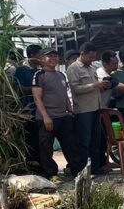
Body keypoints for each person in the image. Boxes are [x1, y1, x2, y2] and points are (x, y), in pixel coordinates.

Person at [32, 48, 85, 179]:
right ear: (42, 59)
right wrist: (45, 117)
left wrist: (69, 111)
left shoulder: (61, 75)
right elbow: (37, 98)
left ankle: (77, 171)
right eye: (49, 56)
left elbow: (65, 95)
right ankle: (51, 174)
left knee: (71, 145)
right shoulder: (39, 75)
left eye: (55, 56)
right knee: (46, 148)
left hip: (63, 116)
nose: (53, 59)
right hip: (47, 118)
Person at [66, 42, 109, 175]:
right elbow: (75, 89)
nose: (92, 60)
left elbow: (95, 87)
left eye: (93, 57)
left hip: (96, 108)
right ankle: (83, 170)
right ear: (82, 54)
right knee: (84, 142)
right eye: (90, 57)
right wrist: (95, 85)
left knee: (95, 141)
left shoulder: (91, 68)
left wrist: (102, 86)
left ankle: (95, 167)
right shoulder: (73, 68)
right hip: (83, 110)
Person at [14, 44, 44, 171]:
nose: (42, 57)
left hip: (41, 109)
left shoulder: (40, 71)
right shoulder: (21, 70)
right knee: (31, 138)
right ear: (32, 55)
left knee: (41, 139)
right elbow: (19, 89)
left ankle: (42, 164)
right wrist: (36, 90)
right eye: (40, 55)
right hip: (28, 109)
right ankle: (32, 165)